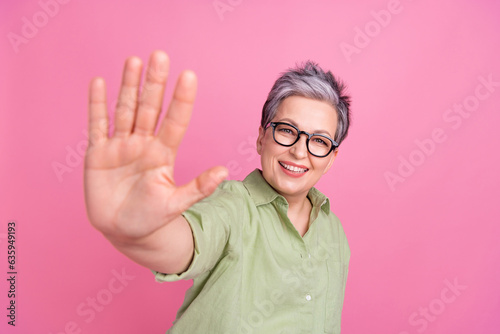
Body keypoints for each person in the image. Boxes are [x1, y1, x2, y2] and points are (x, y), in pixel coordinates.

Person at [84, 50, 351, 334]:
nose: (299, 151)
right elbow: (185, 243)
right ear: (262, 137)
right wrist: (142, 231)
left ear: (332, 158)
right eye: (286, 130)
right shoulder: (232, 205)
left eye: (319, 141)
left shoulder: (334, 231)